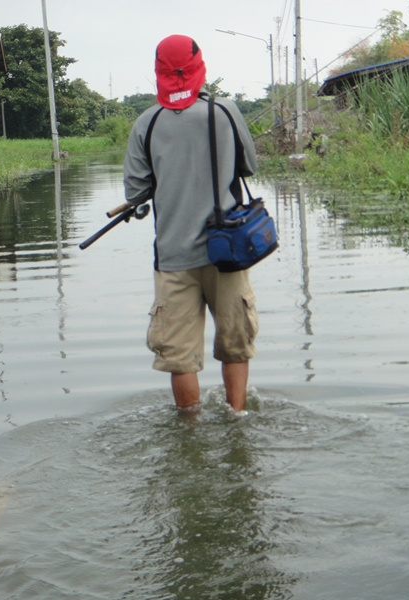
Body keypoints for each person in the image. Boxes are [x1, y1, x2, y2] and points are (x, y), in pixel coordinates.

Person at [123, 34, 259, 413]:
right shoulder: (226, 111)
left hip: (173, 257)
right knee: (234, 345)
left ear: (158, 73)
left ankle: (189, 432)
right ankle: (237, 417)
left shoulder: (145, 124)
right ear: (199, 67)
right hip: (227, 251)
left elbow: (136, 193)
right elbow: (249, 166)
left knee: (179, 357)